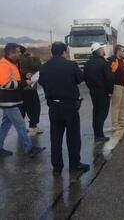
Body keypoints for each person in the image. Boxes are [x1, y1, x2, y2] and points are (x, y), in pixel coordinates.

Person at [39, 42, 89, 175]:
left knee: (55, 138)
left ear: (52, 52)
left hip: (53, 106)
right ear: (64, 51)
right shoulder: (71, 65)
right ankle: (74, 165)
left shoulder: (44, 67)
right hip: (69, 106)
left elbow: (41, 81)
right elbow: (80, 79)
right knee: (73, 137)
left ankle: (57, 168)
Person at [0, 43, 45, 157]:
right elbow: (6, 84)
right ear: (11, 53)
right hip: (9, 101)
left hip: (12, 100)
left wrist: (26, 76)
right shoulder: (4, 65)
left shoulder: (12, 64)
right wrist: (25, 83)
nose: (20, 54)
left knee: (5, 125)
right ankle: (29, 148)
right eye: (18, 52)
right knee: (20, 125)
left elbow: (16, 77)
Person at [84, 43, 114, 142]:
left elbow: (86, 79)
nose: (103, 50)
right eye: (102, 48)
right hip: (103, 92)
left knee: (96, 112)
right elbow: (109, 78)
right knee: (102, 113)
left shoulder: (88, 63)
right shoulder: (104, 63)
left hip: (93, 91)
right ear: (99, 51)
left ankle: (97, 133)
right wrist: (110, 91)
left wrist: (91, 88)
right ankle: (99, 135)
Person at [19, 45, 43, 135]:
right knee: (34, 108)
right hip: (29, 88)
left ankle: (20, 128)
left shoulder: (14, 61)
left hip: (19, 88)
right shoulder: (26, 59)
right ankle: (33, 126)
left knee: (22, 109)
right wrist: (34, 57)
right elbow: (38, 66)